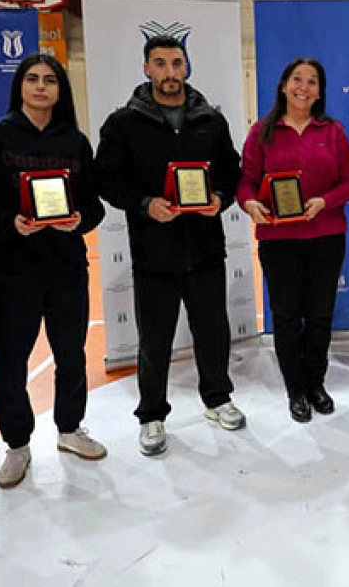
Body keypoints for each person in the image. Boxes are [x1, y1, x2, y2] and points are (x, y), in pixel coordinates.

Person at [0, 53, 107, 489]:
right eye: (33, 79)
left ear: (61, 90)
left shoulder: (74, 142)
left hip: (66, 267)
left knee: (71, 353)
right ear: (19, 86)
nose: (41, 87)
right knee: (10, 359)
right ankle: (17, 444)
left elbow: (94, 204)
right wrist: (9, 225)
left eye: (50, 80)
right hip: (12, 269)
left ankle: (70, 429)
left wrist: (79, 221)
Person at [94, 35, 244, 456]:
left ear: (186, 67)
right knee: (155, 340)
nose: (170, 72)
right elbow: (106, 179)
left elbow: (231, 172)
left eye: (177, 63)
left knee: (212, 331)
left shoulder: (211, 120)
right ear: (147, 69)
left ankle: (217, 399)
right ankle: (152, 415)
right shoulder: (123, 123)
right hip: (154, 253)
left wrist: (220, 198)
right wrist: (145, 204)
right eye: (160, 63)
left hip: (206, 250)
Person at [237, 58, 349, 423]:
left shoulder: (333, 131)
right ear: (283, 85)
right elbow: (245, 183)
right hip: (279, 240)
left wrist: (326, 201)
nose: (303, 87)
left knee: (319, 316)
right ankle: (296, 390)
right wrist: (250, 204)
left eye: (312, 81)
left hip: (326, 237)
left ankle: (316, 384)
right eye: (297, 79)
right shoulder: (261, 132)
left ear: (320, 92)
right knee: (286, 317)